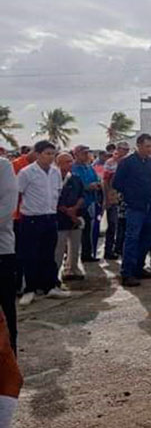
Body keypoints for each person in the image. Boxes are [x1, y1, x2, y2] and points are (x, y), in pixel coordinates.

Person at [17, 140, 68, 306]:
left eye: (53, 154)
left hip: (50, 217)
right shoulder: (26, 173)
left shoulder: (55, 172)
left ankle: (50, 286)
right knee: (30, 255)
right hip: (31, 218)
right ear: (38, 154)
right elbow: (18, 193)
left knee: (48, 254)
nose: (50, 157)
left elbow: (57, 192)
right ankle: (29, 289)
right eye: (47, 153)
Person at [113, 134, 151, 287]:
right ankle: (127, 273)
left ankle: (138, 267)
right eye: (148, 146)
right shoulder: (127, 163)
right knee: (132, 239)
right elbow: (117, 183)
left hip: (150, 207)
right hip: (135, 207)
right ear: (139, 146)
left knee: (147, 239)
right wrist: (132, 195)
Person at [55, 152, 85, 282]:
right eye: (66, 162)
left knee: (75, 245)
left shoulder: (76, 178)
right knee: (59, 248)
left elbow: (82, 195)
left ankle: (72, 268)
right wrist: (67, 211)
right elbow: (54, 199)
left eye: (71, 161)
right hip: (60, 218)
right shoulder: (53, 179)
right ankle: (55, 274)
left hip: (75, 217)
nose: (70, 164)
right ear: (58, 163)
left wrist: (75, 209)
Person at [0, 156, 18, 353]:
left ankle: (8, 376)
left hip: (2, 253)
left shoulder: (3, 166)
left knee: (5, 316)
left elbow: (6, 209)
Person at [71, 145, 101, 264]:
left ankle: (87, 254)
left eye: (87, 153)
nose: (86, 155)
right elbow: (75, 186)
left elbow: (97, 179)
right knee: (75, 233)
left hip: (90, 202)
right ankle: (71, 259)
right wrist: (87, 187)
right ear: (76, 154)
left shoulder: (89, 167)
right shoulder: (72, 168)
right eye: (84, 153)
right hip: (77, 204)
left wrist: (97, 185)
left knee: (88, 229)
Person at [102, 141, 129, 260]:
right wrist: (107, 197)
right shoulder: (110, 163)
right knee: (112, 224)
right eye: (123, 149)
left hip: (126, 197)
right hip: (113, 196)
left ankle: (120, 248)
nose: (126, 152)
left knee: (124, 225)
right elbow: (106, 181)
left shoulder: (129, 162)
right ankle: (108, 250)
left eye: (127, 149)